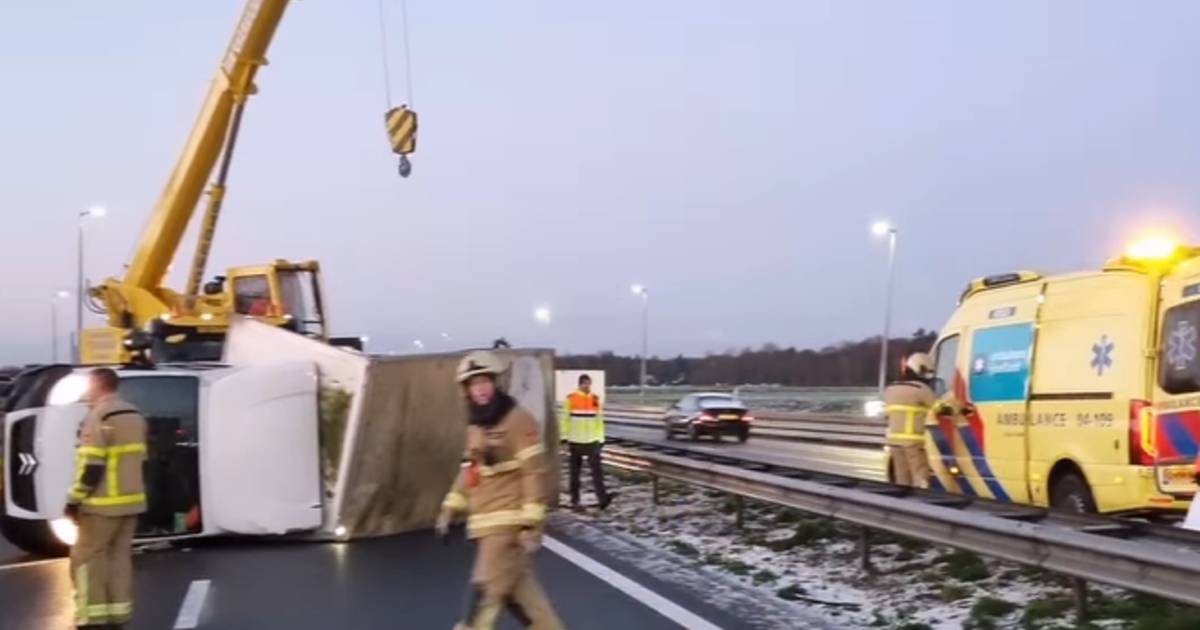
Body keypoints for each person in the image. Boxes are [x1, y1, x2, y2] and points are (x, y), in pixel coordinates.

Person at [437, 351, 563, 630]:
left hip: (506, 529)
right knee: (532, 610)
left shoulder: (519, 421)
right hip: (484, 525)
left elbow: (534, 473)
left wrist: (531, 526)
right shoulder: (477, 426)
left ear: (496, 383)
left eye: (484, 381)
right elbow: (470, 470)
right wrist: (450, 507)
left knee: (481, 599)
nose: (479, 389)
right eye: (472, 384)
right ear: (466, 390)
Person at [64, 368, 147, 630]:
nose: (87, 392)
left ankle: (92, 618)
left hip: (101, 505)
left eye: (89, 386)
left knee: (86, 560)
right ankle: (118, 614)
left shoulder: (98, 416)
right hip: (131, 502)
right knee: (119, 558)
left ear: (98, 385)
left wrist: (74, 499)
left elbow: (92, 466)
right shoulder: (135, 415)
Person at [884, 353, 937, 489]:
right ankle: (921, 505)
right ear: (919, 369)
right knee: (920, 477)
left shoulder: (891, 389)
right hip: (913, 442)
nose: (927, 376)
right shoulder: (920, 389)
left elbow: (887, 414)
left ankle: (904, 506)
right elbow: (939, 407)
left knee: (902, 479)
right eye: (926, 372)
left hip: (894, 442)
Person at [560, 374, 611, 510]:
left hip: (592, 441)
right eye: (585, 384)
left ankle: (603, 499)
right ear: (580, 384)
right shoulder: (571, 399)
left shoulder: (595, 399)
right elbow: (564, 419)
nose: (587, 386)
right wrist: (564, 438)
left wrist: (601, 439)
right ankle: (575, 500)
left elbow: (599, 420)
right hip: (575, 440)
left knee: (597, 472)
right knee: (575, 473)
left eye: (589, 384)